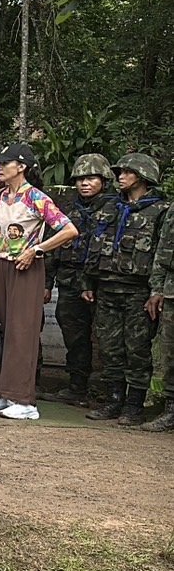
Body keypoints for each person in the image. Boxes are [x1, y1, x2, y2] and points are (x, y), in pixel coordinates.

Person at [0, 143, 77, 422]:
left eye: (3, 163)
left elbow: (69, 230)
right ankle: (3, 393)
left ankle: (24, 400)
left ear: (21, 167)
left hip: (25, 269)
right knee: (1, 329)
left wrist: (37, 250)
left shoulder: (36, 198)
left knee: (22, 332)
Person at [81, 153, 168, 427]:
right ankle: (114, 400)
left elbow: (162, 254)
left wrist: (156, 291)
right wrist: (88, 283)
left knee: (137, 350)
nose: (120, 177)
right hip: (106, 288)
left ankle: (134, 405)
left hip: (138, 291)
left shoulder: (160, 211)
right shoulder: (110, 207)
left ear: (142, 177)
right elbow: (92, 246)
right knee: (109, 348)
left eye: (127, 172)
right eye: (119, 172)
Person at [49, 153, 111, 407]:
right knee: (73, 335)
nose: (84, 183)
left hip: (102, 283)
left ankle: (112, 394)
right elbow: (53, 247)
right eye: (80, 179)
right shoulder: (69, 210)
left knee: (108, 339)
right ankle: (77, 387)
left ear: (104, 180)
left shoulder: (114, 209)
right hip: (69, 281)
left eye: (91, 178)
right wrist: (47, 283)